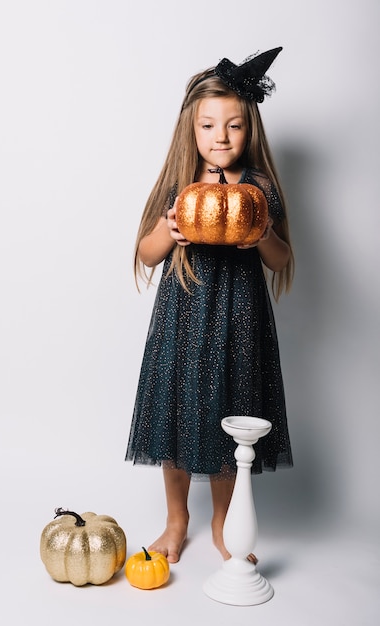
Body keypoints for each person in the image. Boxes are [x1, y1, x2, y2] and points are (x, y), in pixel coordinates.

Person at [125, 47, 294, 565]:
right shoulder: (180, 185)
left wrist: (263, 234)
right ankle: (177, 520)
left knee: (230, 417)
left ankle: (223, 522)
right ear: (190, 128)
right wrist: (168, 230)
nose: (221, 137)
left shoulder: (259, 189)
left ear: (251, 130)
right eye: (209, 125)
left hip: (239, 323)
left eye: (234, 126)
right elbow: (145, 254)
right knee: (174, 415)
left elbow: (282, 257)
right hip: (183, 317)